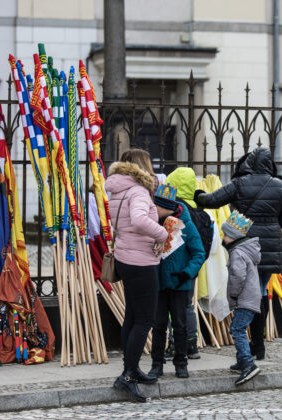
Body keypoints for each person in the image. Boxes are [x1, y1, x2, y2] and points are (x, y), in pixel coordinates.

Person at [194, 147, 282, 360]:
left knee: (250, 295)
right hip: (270, 249)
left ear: (249, 163)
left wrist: (197, 195)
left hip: (246, 245)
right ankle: (258, 344)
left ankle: (249, 343)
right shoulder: (280, 186)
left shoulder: (240, 183)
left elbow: (211, 200)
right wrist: (271, 223)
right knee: (261, 292)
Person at [104, 148, 168, 403]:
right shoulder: (139, 191)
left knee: (132, 316)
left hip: (125, 257)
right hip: (141, 261)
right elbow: (139, 220)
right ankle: (128, 376)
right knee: (144, 320)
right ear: (143, 166)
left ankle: (130, 368)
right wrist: (162, 234)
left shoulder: (119, 188)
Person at [148, 183, 206, 379]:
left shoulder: (187, 225)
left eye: (156, 206)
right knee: (158, 326)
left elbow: (199, 253)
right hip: (158, 284)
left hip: (179, 284)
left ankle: (181, 363)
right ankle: (156, 364)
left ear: (166, 207)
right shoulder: (152, 225)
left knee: (180, 326)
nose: (153, 208)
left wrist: (187, 273)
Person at [165, 167, 214, 360]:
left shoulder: (176, 209)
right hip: (193, 266)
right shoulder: (199, 210)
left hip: (175, 266)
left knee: (172, 306)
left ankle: (175, 345)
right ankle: (192, 344)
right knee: (187, 305)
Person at [222, 210, 262, 386]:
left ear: (233, 236)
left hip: (245, 298)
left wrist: (234, 294)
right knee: (239, 327)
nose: (223, 238)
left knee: (237, 329)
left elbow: (238, 276)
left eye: (226, 235)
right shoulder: (245, 250)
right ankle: (241, 360)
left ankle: (247, 363)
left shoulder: (237, 252)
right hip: (251, 297)